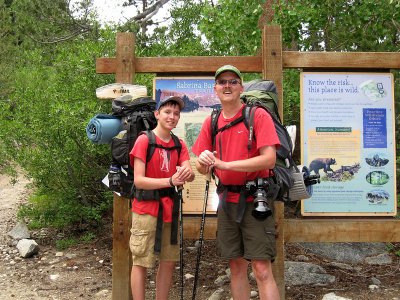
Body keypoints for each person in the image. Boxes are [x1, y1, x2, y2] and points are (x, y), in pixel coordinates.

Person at [192, 65, 281, 299]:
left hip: (256, 201)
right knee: (236, 267)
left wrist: (226, 165)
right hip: (226, 202)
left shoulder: (257, 115)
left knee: (261, 269)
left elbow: (269, 159)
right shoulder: (211, 122)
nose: (227, 86)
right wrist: (204, 160)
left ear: (241, 87)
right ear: (215, 89)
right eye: (222, 82)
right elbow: (202, 169)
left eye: (233, 81)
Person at [129, 96, 195, 300]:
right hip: (145, 210)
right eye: (167, 112)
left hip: (170, 212)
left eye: (176, 113)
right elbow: (139, 180)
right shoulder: (144, 140)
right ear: (157, 114)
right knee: (141, 261)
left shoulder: (178, 144)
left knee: (168, 262)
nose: (172, 117)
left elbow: (189, 172)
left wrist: (187, 174)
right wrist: (170, 181)